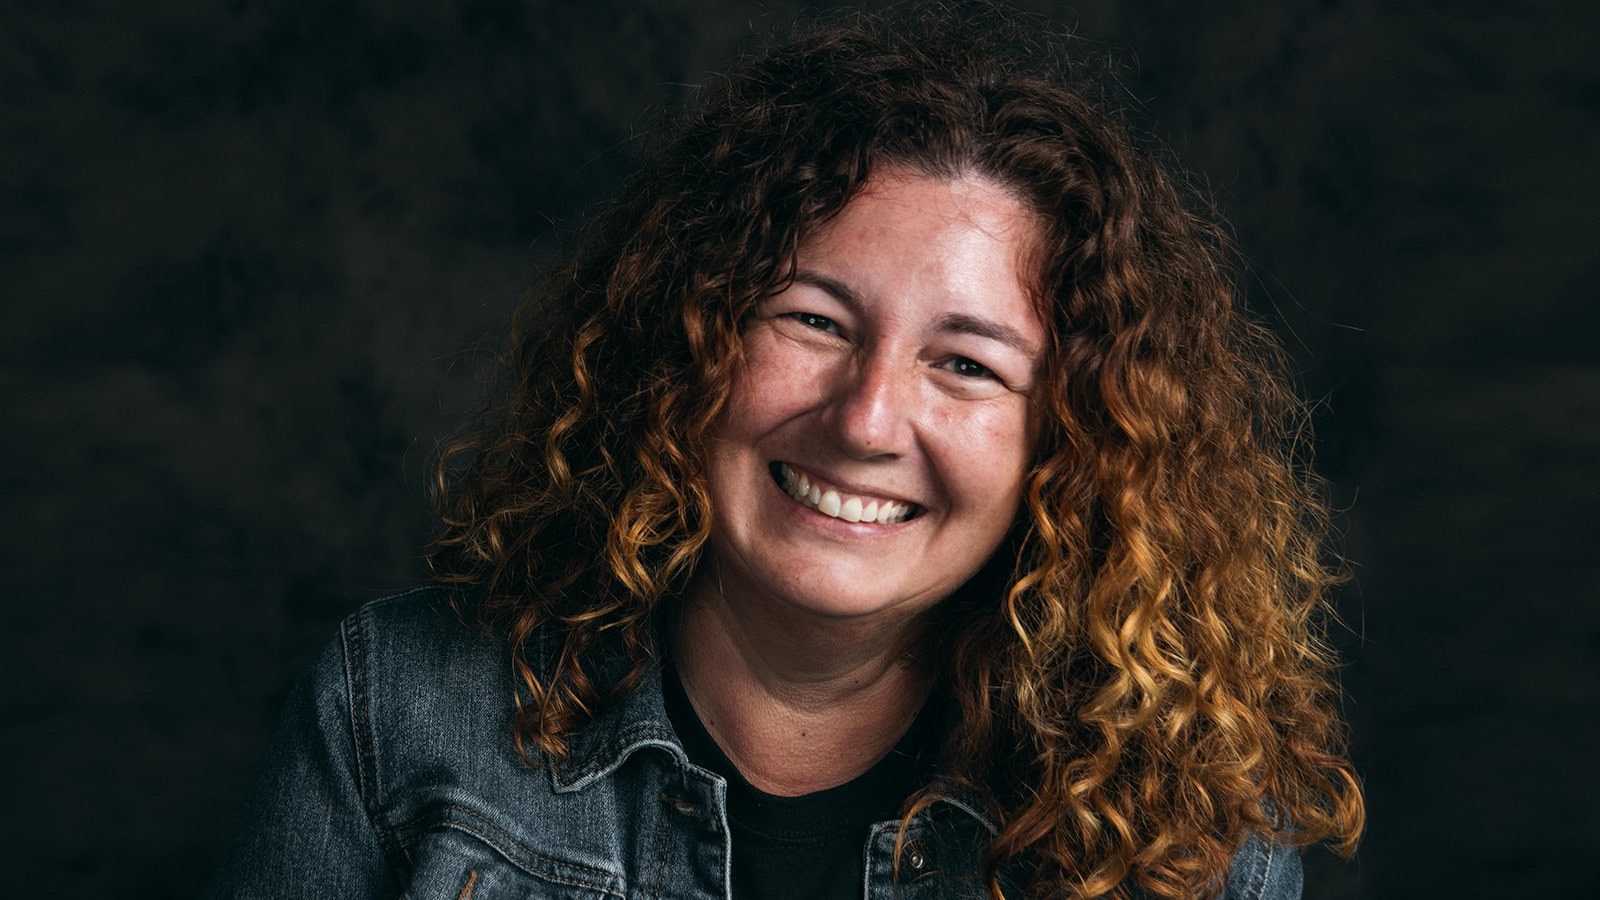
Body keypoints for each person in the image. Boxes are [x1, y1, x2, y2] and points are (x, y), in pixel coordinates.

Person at [207, 6, 1364, 898]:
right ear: (689, 337)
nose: (864, 421)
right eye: (813, 321)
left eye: (965, 365)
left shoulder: (1193, 845)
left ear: (1071, 443)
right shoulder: (398, 710)